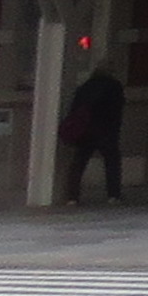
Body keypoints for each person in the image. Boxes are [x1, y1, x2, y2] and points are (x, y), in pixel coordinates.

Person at [52, 64, 125, 206]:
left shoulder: (85, 87)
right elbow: (116, 110)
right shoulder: (114, 86)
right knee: (112, 162)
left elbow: (74, 108)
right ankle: (113, 195)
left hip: (85, 130)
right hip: (106, 129)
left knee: (79, 162)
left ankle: (72, 196)